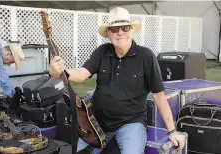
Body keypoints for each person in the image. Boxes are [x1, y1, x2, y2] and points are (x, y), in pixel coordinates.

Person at [49, 7, 186, 154]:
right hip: (97, 123)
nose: (120, 32)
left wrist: (172, 131)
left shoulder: (146, 56)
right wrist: (60, 72)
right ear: (108, 33)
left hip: (131, 124)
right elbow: (82, 74)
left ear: (132, 30)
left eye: (125, 27)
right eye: (114, 29)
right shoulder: (102, 51)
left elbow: (159, 96)